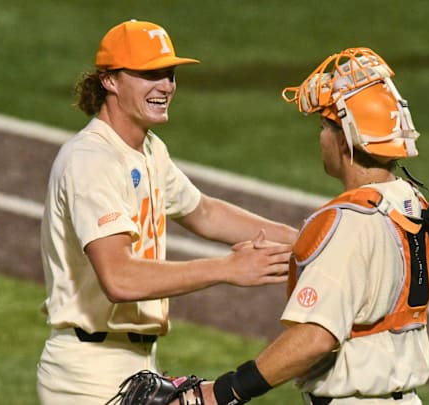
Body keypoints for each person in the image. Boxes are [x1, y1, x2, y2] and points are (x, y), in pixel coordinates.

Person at [36, 19, 298, 404]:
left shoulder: (149, 150)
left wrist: (309, 239)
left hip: (134, 363)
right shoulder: (91, 160)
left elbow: (204, 212)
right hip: (87, 372)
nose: (166, 86)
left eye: (169, 73)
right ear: (109, 80)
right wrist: (228, 268)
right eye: (149, 74)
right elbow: (120, 277)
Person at [185, 48, 429, 405]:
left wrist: (224, 391)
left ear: (344, 139)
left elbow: (316, 337)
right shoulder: (412, 202)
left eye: (325, 126)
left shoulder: (348, 221)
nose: (321, 137)